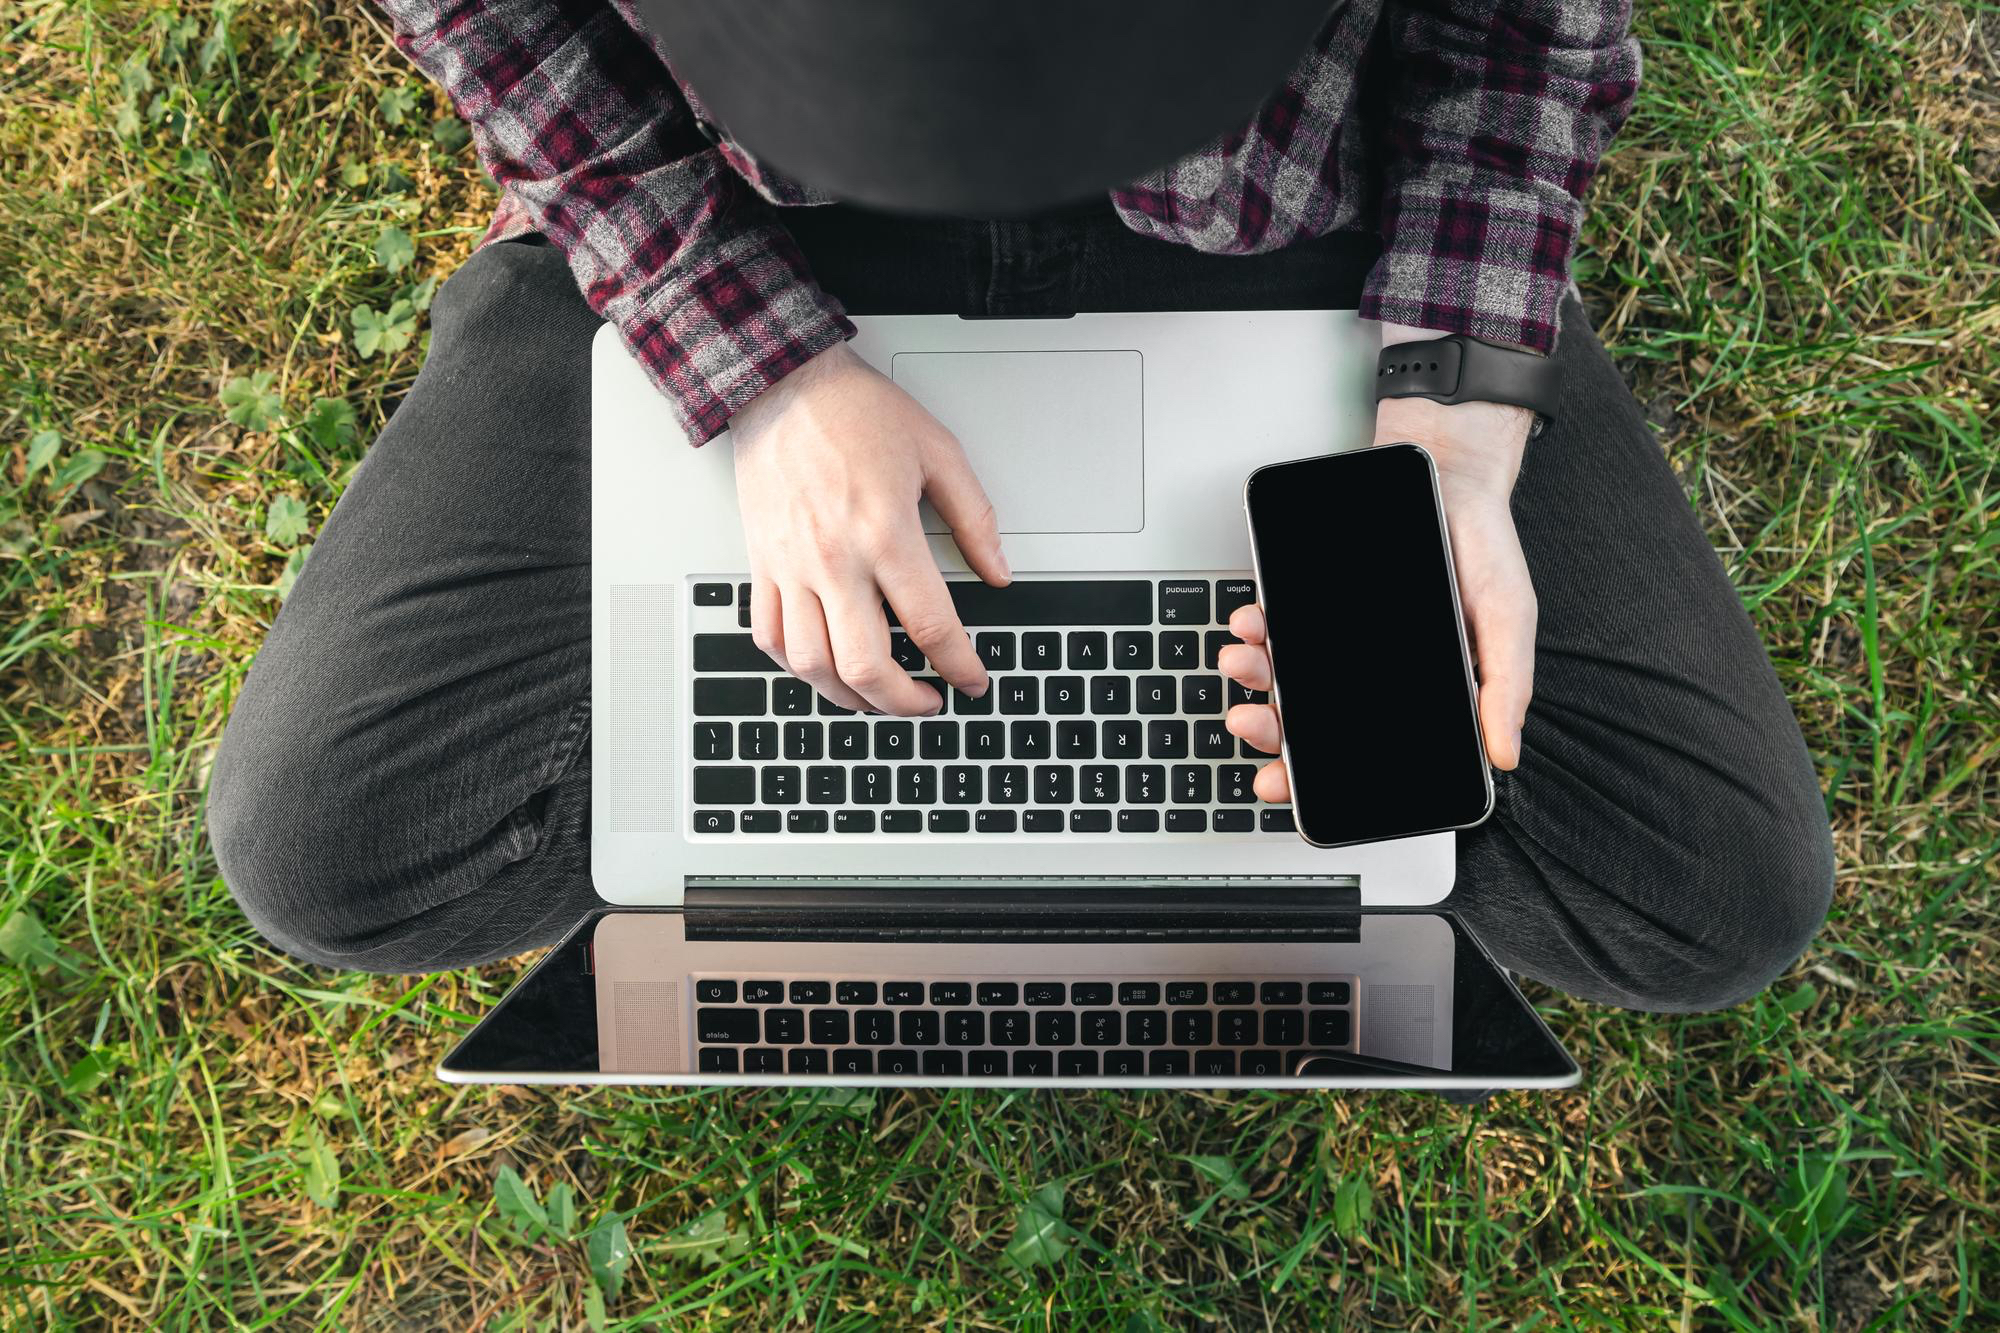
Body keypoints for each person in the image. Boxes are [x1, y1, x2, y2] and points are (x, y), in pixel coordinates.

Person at [207, 1, 1833, 1010]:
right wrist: (754, 366)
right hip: (745, 222)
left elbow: (1518, 33)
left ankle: (1192, 837)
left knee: (1712, 890)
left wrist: (1454, 431)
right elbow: (495, 20)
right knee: (326, 845)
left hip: (1302, 232)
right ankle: (846, 815)